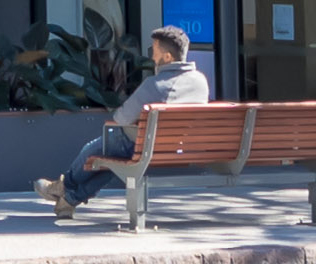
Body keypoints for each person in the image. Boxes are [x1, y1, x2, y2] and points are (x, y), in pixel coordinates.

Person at [36, 23, 209, 223]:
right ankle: (68, 200)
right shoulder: (200, 81)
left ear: (168, 57)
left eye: (155, 50)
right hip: (177, 148)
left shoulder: (156, 85)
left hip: (142, 147)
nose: (152, 56)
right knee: (110, 163)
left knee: (97, 150)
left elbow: (121, 118)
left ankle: (64, 186)